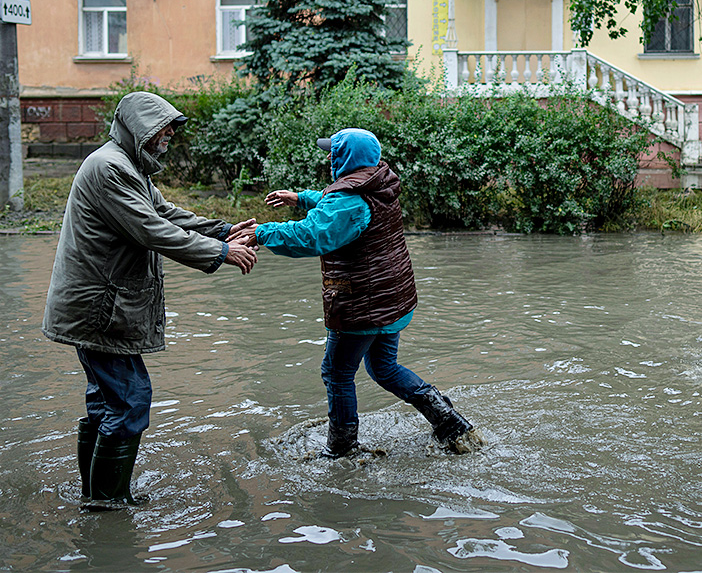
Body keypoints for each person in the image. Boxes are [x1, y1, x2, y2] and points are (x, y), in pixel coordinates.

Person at [42, 91, 258, 506]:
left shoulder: (129, 166)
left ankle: (94, 494)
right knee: (130, 399)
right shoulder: (110, 169)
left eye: (172, 131)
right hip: (99, 310)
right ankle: (107, 504)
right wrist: (221, 253)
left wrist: (222, 230)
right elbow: (152, 231)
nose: (169, 138)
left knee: (106, 403)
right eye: (164, 130)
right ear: (140, 128)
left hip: (98, 307)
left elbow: (168, 214)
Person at [250, 128, 482, 457]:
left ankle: (342, 448)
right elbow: (340, 204)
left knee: (337, 371)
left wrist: (262, 232)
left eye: (335, 151)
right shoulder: (379, 183)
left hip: (364, 306)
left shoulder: (349, 201)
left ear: (347, 158)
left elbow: (312, 235)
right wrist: (302, 198)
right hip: (393, 299)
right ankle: (450, 422)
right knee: (384, 368)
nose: (330, 156)